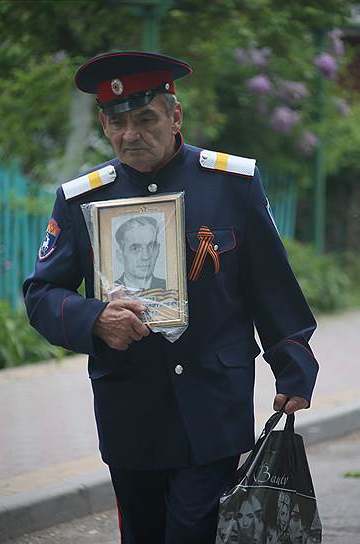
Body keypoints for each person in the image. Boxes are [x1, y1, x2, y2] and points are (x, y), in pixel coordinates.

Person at [23, 50, 319, 544]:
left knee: (193, 530)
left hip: (213, 404)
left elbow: (271, 284)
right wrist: (95, 319)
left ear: (174, 115)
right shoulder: (83, 199)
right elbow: (41, 294)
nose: (130, 134)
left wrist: (293, 364)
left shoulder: (230, 184)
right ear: (103, 122)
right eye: (117, 123)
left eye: (145, 119)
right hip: (129, 408)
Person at [114, 215, 166, 290]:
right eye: (135, 248)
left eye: (151, 246)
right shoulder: (110, 291)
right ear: (120, 255)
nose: (146, 256)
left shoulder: (171, 288)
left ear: (158, 249)